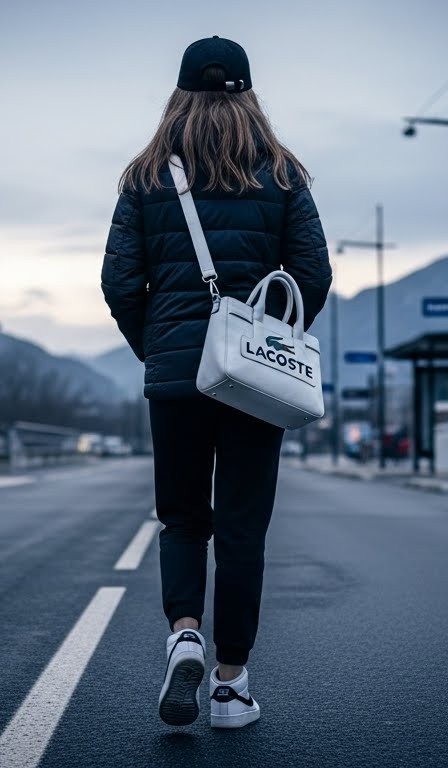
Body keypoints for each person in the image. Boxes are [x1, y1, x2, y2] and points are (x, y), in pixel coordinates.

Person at [101, 36, 332, 729]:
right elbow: (311, 274)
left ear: (178, 94)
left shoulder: (145, 176)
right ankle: (231, 688)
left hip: (175, 380)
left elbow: (119, 283)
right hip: (254, 384)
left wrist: (163, 352)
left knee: (180, 518)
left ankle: (184, 634)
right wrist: (268, 344)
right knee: (240, 532)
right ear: (248, 94)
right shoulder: (283, 172)